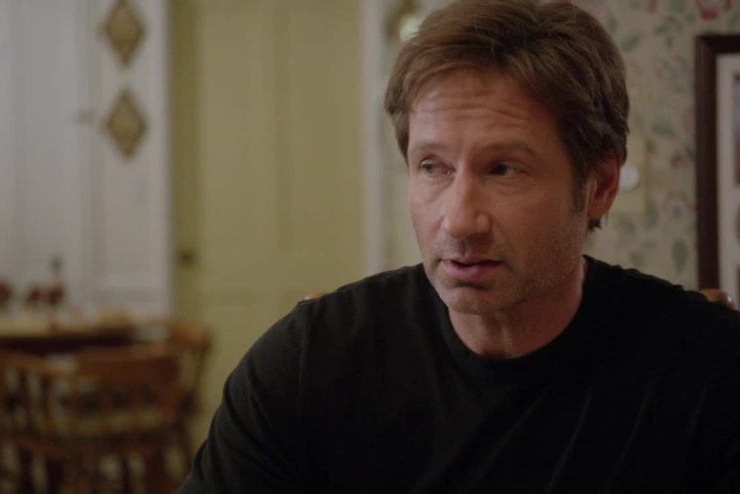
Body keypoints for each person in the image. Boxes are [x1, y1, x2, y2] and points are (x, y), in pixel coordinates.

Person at [179, 0, 740, 491]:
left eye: (504, 169)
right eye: (433, 167)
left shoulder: (710, 371)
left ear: (600, 186)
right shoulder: (309, 365)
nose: (459, 219)